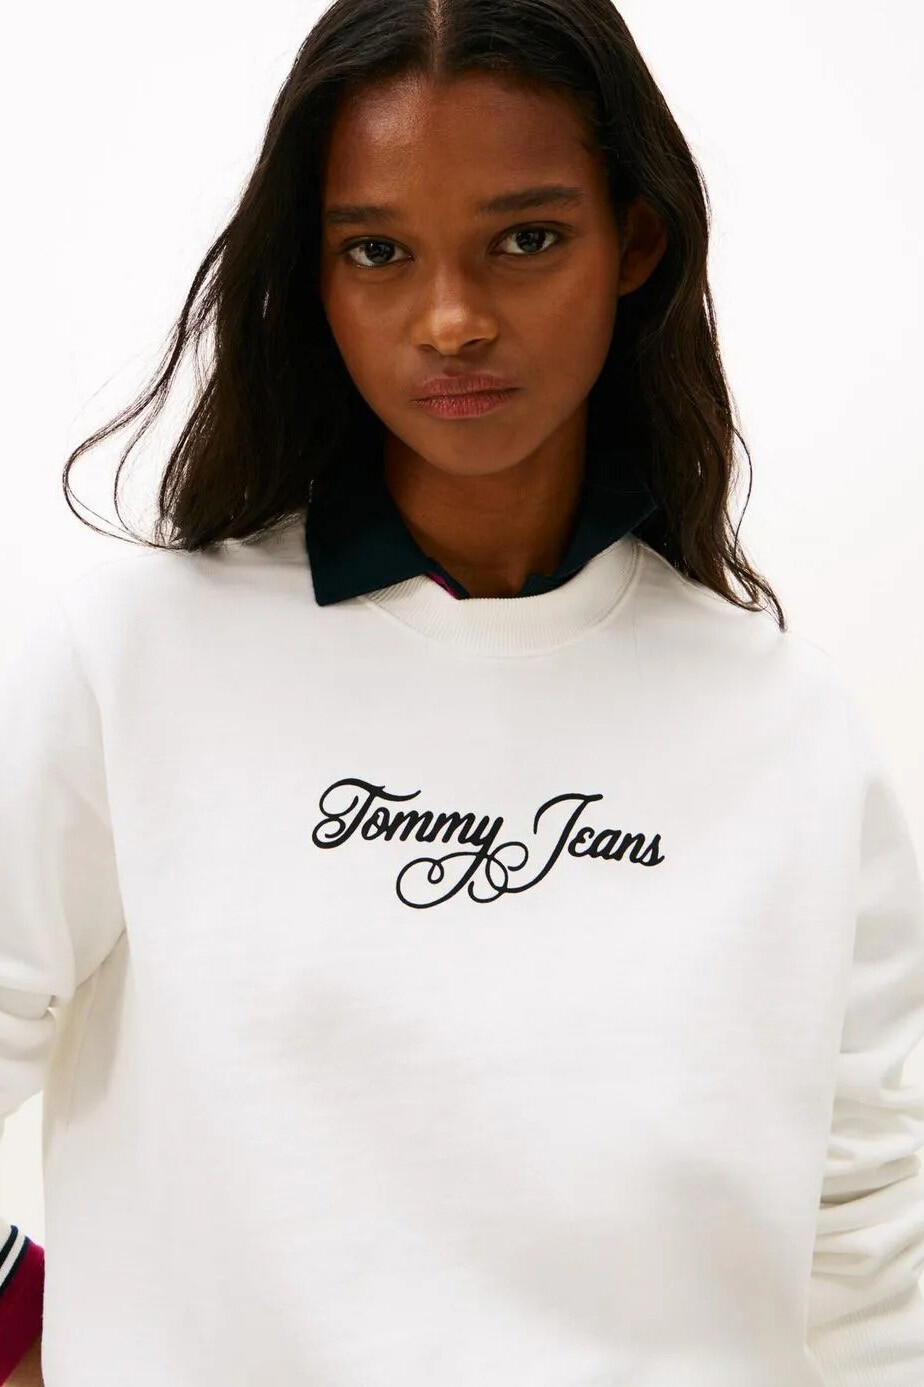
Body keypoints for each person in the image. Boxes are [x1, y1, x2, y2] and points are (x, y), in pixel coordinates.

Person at [2, 1, 923, 1383]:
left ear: (637, 242)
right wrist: (22, 1331)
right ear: (314, 275)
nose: (452, 319)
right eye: (378, 251)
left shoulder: (785, 728)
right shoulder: (129, 663)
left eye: (527, 239)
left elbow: (869, 1249)